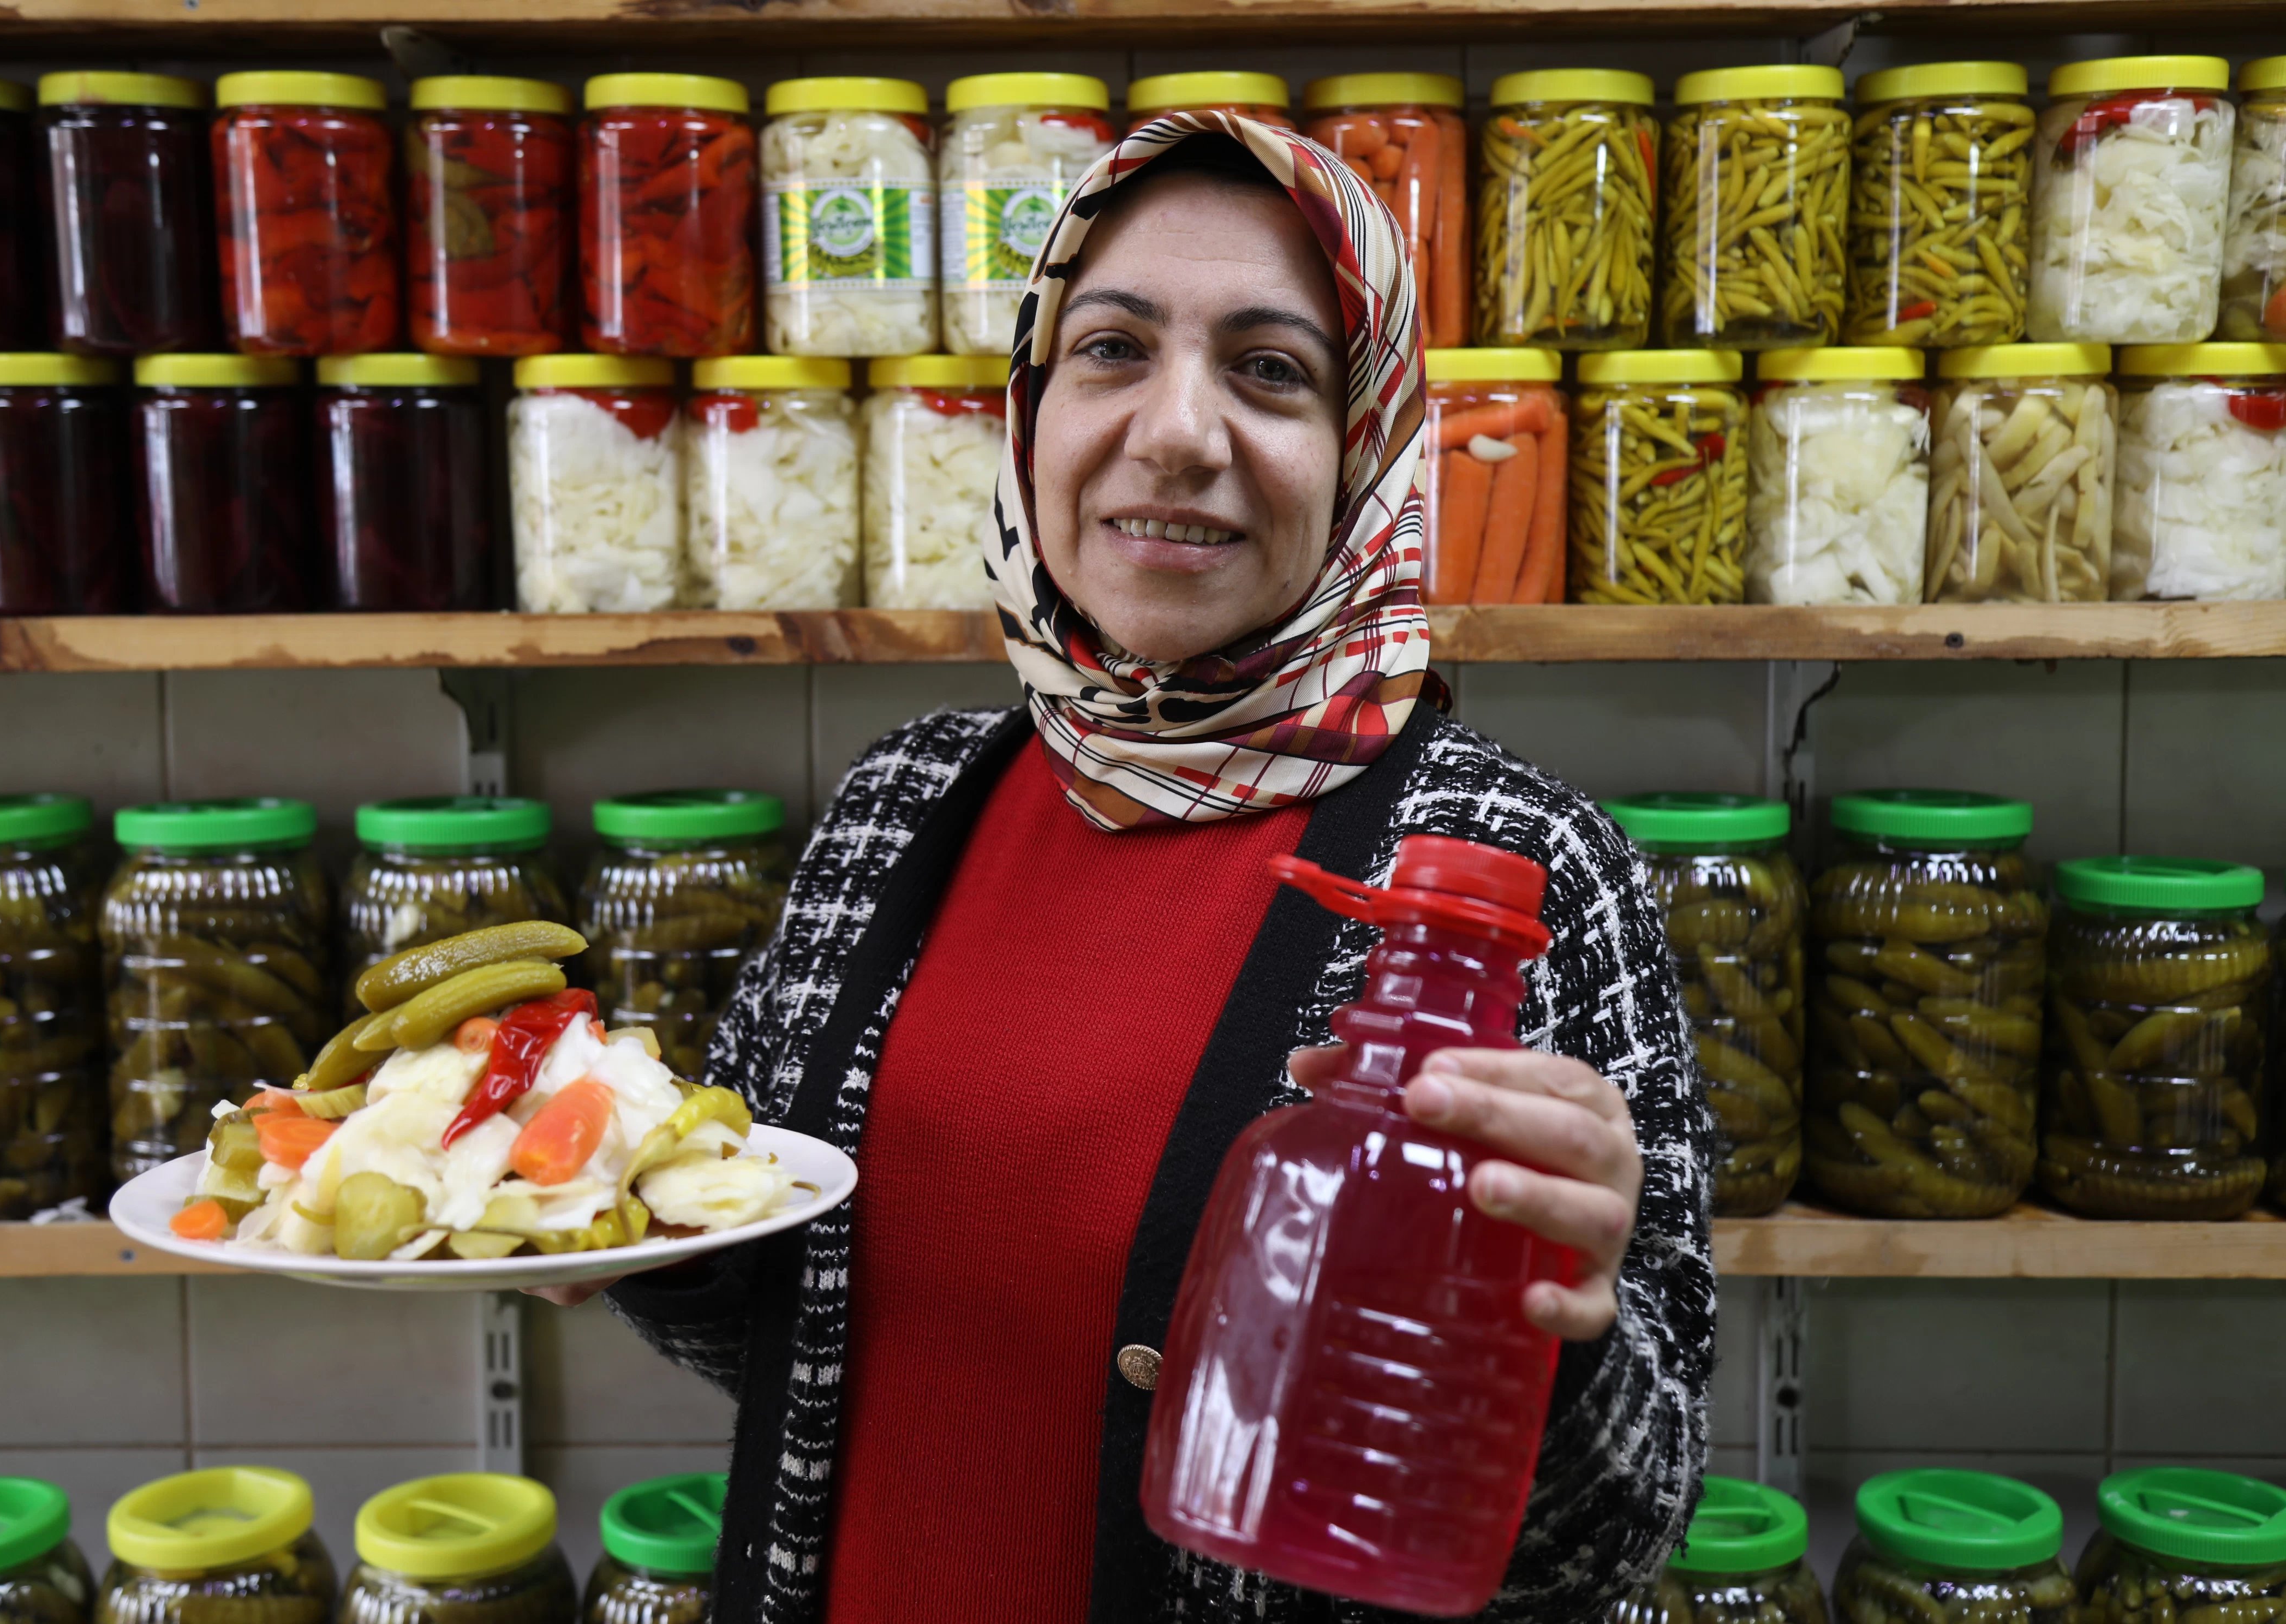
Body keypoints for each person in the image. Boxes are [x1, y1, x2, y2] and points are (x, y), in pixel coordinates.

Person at [536, 114, 1714, 1623]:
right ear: (1030, 409)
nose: (1175, 432)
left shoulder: (1522, 868)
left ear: (1372, 445)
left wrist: (1569, 1338)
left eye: (1272, 370)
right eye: (1111, 349)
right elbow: (793, 1325)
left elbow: (1622, 1538)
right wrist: (636, 1228)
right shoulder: (901, 807)